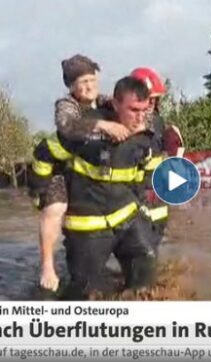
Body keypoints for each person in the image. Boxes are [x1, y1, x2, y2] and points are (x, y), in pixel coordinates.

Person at [31, 77, 159, 299]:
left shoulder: (145, 135)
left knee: (145, 267)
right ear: (116, 104)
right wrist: (42, 194)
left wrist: (145, 208)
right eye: (133, 110)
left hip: (126, 217)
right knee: (85, 292)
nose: (140, 117)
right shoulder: (86, 131)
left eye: (144, 110)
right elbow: (44, 153)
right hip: (88, 226)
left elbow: (146, 172)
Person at [36, 54, 131, 293]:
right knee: (55, 210)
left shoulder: (103, 102)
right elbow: (67, 127)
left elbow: (126, 106)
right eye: (82, 82)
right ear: (71, 87)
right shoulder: (66, 105)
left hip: (80, 166)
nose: (89, 86)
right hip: (54, 167)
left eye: (91, 79)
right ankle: (47, 266)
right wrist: (103, 125)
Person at [130, 68, 184, 245]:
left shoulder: (158, 121)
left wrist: (174, 149)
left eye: (154, 99)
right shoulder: (124, 124)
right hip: (134, 192)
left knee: (155, 238)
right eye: (148, 98)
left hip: (157, 191)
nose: (151, 103)